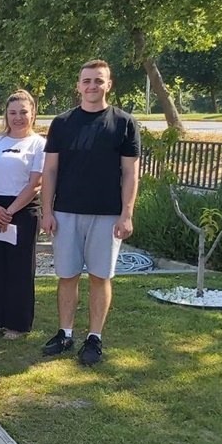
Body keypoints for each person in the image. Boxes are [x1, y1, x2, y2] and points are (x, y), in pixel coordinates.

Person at [40, 59, 141, 365]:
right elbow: (50, 170)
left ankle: (94, 338)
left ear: (108, 84)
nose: (92, 86)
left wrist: (126, 213)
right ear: (78, 85)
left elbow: (130, 174)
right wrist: (47, 210)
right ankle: (65, 333)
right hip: (66, 213)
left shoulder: (124, 123)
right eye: (87, 81)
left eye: (98, 81)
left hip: (107, 215)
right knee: (67, 276)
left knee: (100, 277)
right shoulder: (62, 123)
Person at [0, 90, 46, 340]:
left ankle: (17, 323)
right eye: (13, 112)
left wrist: (10, 211)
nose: (18, 117)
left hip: (23, 210)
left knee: (19, 268)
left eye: (23, 112)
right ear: (6, 114)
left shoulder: (39, 144)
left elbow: (35, 183)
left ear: (33, 114)